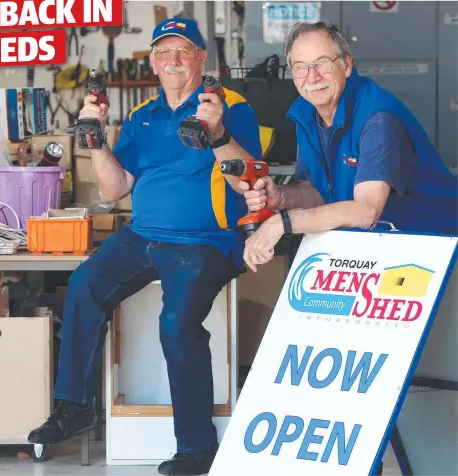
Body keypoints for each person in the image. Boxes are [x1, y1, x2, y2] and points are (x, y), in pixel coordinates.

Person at [28, 18, 261, 476]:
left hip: (205, 241)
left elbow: (248, 180)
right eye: (164, 52)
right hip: (142, 236)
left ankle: (197, 447)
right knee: (84, 283)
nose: (173, 60)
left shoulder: (230, 107)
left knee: (176, 324)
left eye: (183, 50)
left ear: (200, 58)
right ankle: (76, 407)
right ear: (153, 62)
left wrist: (216, 133)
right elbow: (115, 188)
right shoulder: (143, 117)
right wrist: (94, 139)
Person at [241, 21, 458, 273]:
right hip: (377, 244)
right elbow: (321, 190)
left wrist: (284, 222)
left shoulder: (377, 117)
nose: (312, 77)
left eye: (322, 62)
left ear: (346, 65)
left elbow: (367, 211)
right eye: (301, 67)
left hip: (435, 246)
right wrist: (281, 197)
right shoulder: (307, 112)